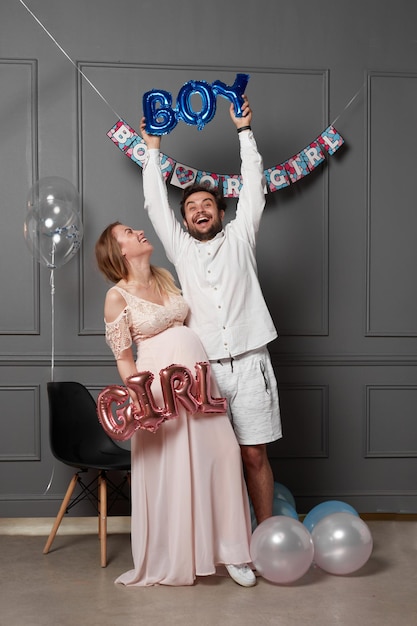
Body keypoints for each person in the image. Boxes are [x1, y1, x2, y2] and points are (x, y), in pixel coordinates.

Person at [140, 96, 282, 525]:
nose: (199, 210)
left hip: (251, 362)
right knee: (213, 461)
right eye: (190, 207)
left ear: (222, 212)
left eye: (207, 205)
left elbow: (253, 184)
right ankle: (224, 540)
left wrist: (244, 131)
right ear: (184, 221)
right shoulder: (180, 249)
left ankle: (264, 534)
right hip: (205, 372)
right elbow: (152, 203)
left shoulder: (241, 238)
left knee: (254, 455)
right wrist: (151, 148)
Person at [95, 222, 256, 587]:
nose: (138, 232)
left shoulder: (165, 277)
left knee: (224, 455)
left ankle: (233, 552)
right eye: (128, 233)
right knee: (174, 470)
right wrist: (142, 400)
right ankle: (178, 553)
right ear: (118, 250)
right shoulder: (117, 296)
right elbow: (123, 357)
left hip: (197, 387)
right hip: (159, 393)